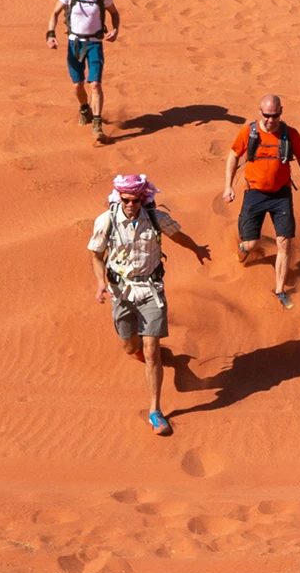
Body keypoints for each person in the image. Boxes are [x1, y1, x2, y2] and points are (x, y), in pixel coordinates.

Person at [88, 173, 210, 435]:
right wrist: (100, 283)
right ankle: (150, 355)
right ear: (119, 198)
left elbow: (179, 237)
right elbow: (96, 255)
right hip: (120, 292)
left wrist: (197, 249)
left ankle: (156, 411)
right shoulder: (106, 221)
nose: (130, 204)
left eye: (135, 200)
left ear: (143, 198)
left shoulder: (156, 218)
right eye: (126, 199)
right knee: (128, 345)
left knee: (152, 348)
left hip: (151, 290)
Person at [222, 94, 300, 309]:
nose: (270, 120)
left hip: (281, 195)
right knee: (251, 243)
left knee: (284, 242)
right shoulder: (248, 132)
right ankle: (244, 248)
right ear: (260, 112)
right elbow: (233, 156)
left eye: (275, 115)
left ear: (281, 112)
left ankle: (280, 290)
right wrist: (228, 186)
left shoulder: (290, 135)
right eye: (267, 115)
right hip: (254, 194)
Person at [45, 0, 121, 145]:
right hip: (74, 44)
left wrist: (116, 30)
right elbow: (54, 13)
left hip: (95, 43)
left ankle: (97, 123)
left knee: (95, 84)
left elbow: (114, 13)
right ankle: (84, 109)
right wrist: (51, 34)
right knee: (77, 86)